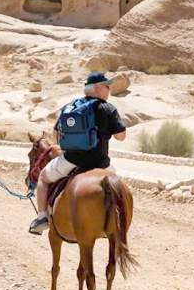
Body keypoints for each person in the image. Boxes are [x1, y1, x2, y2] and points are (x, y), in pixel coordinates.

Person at [29, 72, 127, 234]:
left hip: (71, 161)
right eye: (107, 86)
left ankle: (42, 218)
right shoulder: (108, 108)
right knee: (119, 190)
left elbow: (56, 137)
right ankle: (119, 223)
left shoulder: (71, 107)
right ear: (97, 87)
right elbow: (121, 137)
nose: (109, 90)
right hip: (101, 163)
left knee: (43, 178)